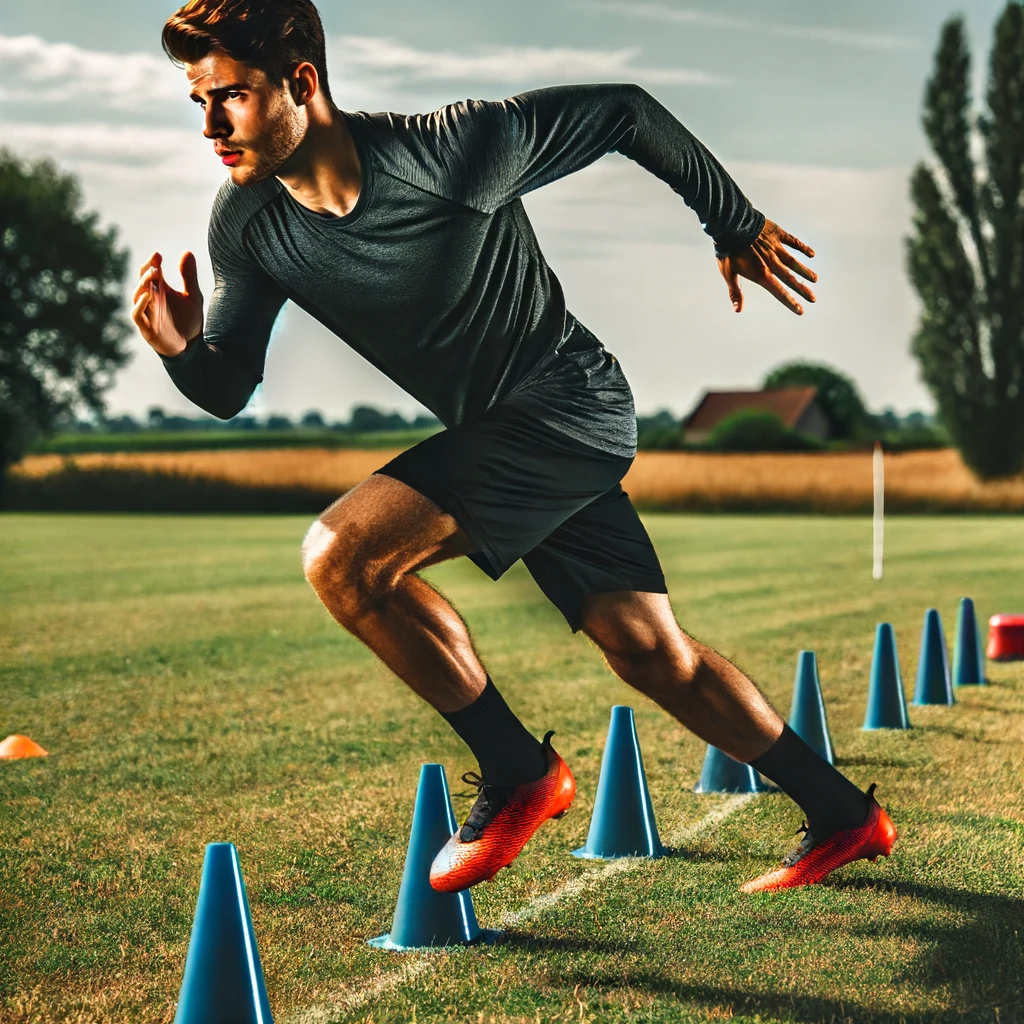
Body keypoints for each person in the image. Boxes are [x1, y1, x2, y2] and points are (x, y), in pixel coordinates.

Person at [133, 0, 896, 895]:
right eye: (199, 103)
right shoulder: (249, 224)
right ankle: (848, 816)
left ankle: (517, 771)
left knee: (343, 556)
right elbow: (227, 388)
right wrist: (181, 349)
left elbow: (626, 109)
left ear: (302, 83)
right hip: (504, 439)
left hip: (570, 406)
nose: (213, 124)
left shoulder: (454, 150)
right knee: (648, 648)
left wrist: (732, 223)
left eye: (232, 95)